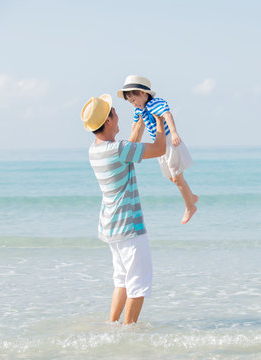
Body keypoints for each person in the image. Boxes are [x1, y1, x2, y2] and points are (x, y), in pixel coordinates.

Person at [81, 94, 166, 325]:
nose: (118, 114)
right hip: (129, 228)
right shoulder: (119, 149)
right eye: (115, 111)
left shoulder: (95, 150)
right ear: (108, 121)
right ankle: (129, 335)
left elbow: (129, 148)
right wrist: (160, 121)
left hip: (111, 227)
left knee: (122, 280)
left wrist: (138, 123)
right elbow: (159, 148)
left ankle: (112, 326)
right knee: (138, 284)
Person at [117, 75, 198, 224]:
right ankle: (190, 196)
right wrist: (130, 145)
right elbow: (136, 126)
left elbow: (167, 115)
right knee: (170, 176)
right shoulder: (139, 110)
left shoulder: (155, 103)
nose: (133, 104)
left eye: (134, 100)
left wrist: (174, 132)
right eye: (130, 102)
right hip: (158, 143)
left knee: (177, 177)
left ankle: (190, 207)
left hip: (169, 140)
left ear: (143, 93)